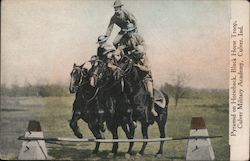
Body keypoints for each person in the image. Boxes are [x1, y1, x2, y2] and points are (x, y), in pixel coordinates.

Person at [117, 23, 158, 120]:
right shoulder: (132, 57)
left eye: (131, 31)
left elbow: (147, 68)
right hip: (136, 78)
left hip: (146, 78)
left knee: (150, 92)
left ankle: (152, 108)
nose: (130, 33)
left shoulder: (145, 58)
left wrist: (138, 66)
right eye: (128, 32)